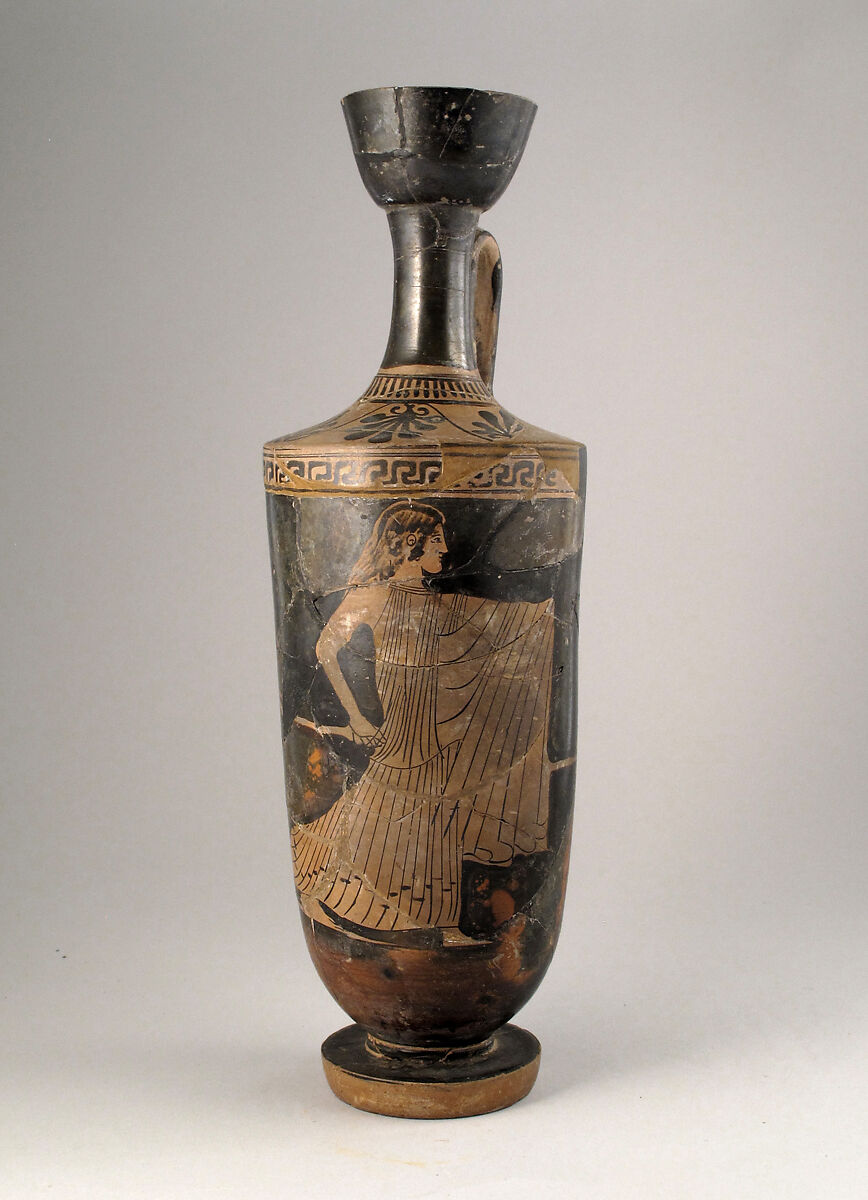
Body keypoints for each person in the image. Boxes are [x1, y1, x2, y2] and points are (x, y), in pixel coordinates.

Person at [291, 501, 557, 939]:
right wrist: (357, 717)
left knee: (430, 804)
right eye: (436, 540)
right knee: (395, 797)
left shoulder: (434, 600)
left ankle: (433, 918)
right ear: (410, 543)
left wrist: (538, 618)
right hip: (405, 718)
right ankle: (349, 896)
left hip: (432, 719)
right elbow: (325, 647)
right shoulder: (375, 594)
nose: (445, 549)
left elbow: (486, 625)